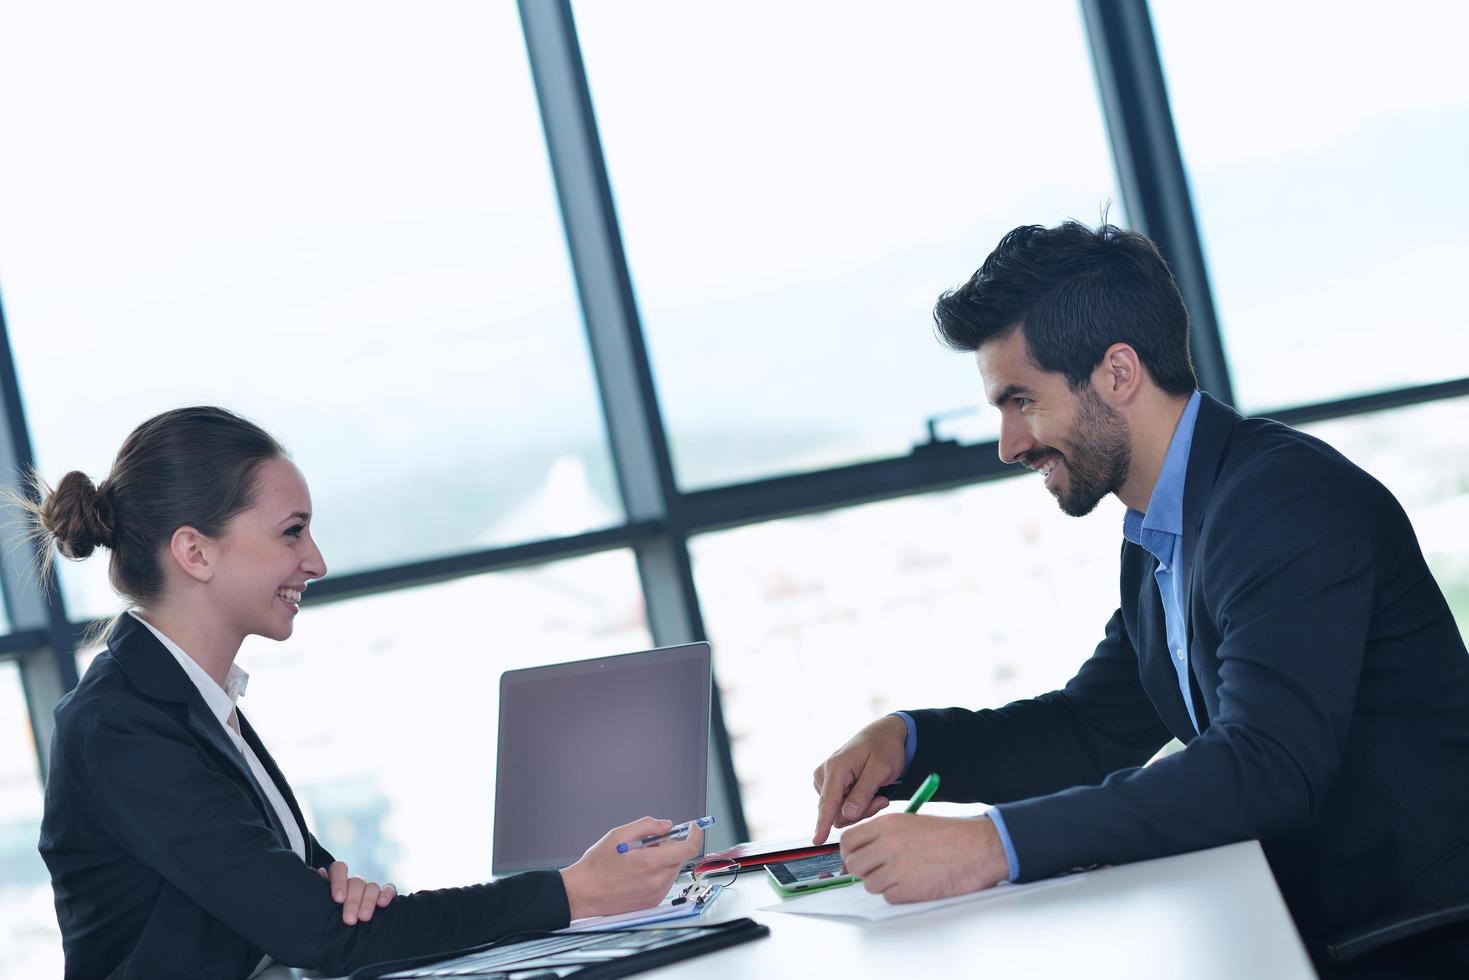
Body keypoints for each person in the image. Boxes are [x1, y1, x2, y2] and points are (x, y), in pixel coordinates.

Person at [810, 221, 1469, 973]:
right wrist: (910, 741)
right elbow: (1090, 730)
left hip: (1414, 933)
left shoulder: (1280, 504)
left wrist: (990, 846)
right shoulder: (1169, 528)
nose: (1007, 445)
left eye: (1020, 400)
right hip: (1297, 921)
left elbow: (1264, 768)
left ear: (1117, 373)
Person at [31, 406, 699, 979]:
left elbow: (322, 915)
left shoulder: (193, 702)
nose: (316, 561)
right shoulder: (121, 728)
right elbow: (328, 936)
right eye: (291, 531)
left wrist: (330, 899)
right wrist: (573, 893)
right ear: (195, 553)